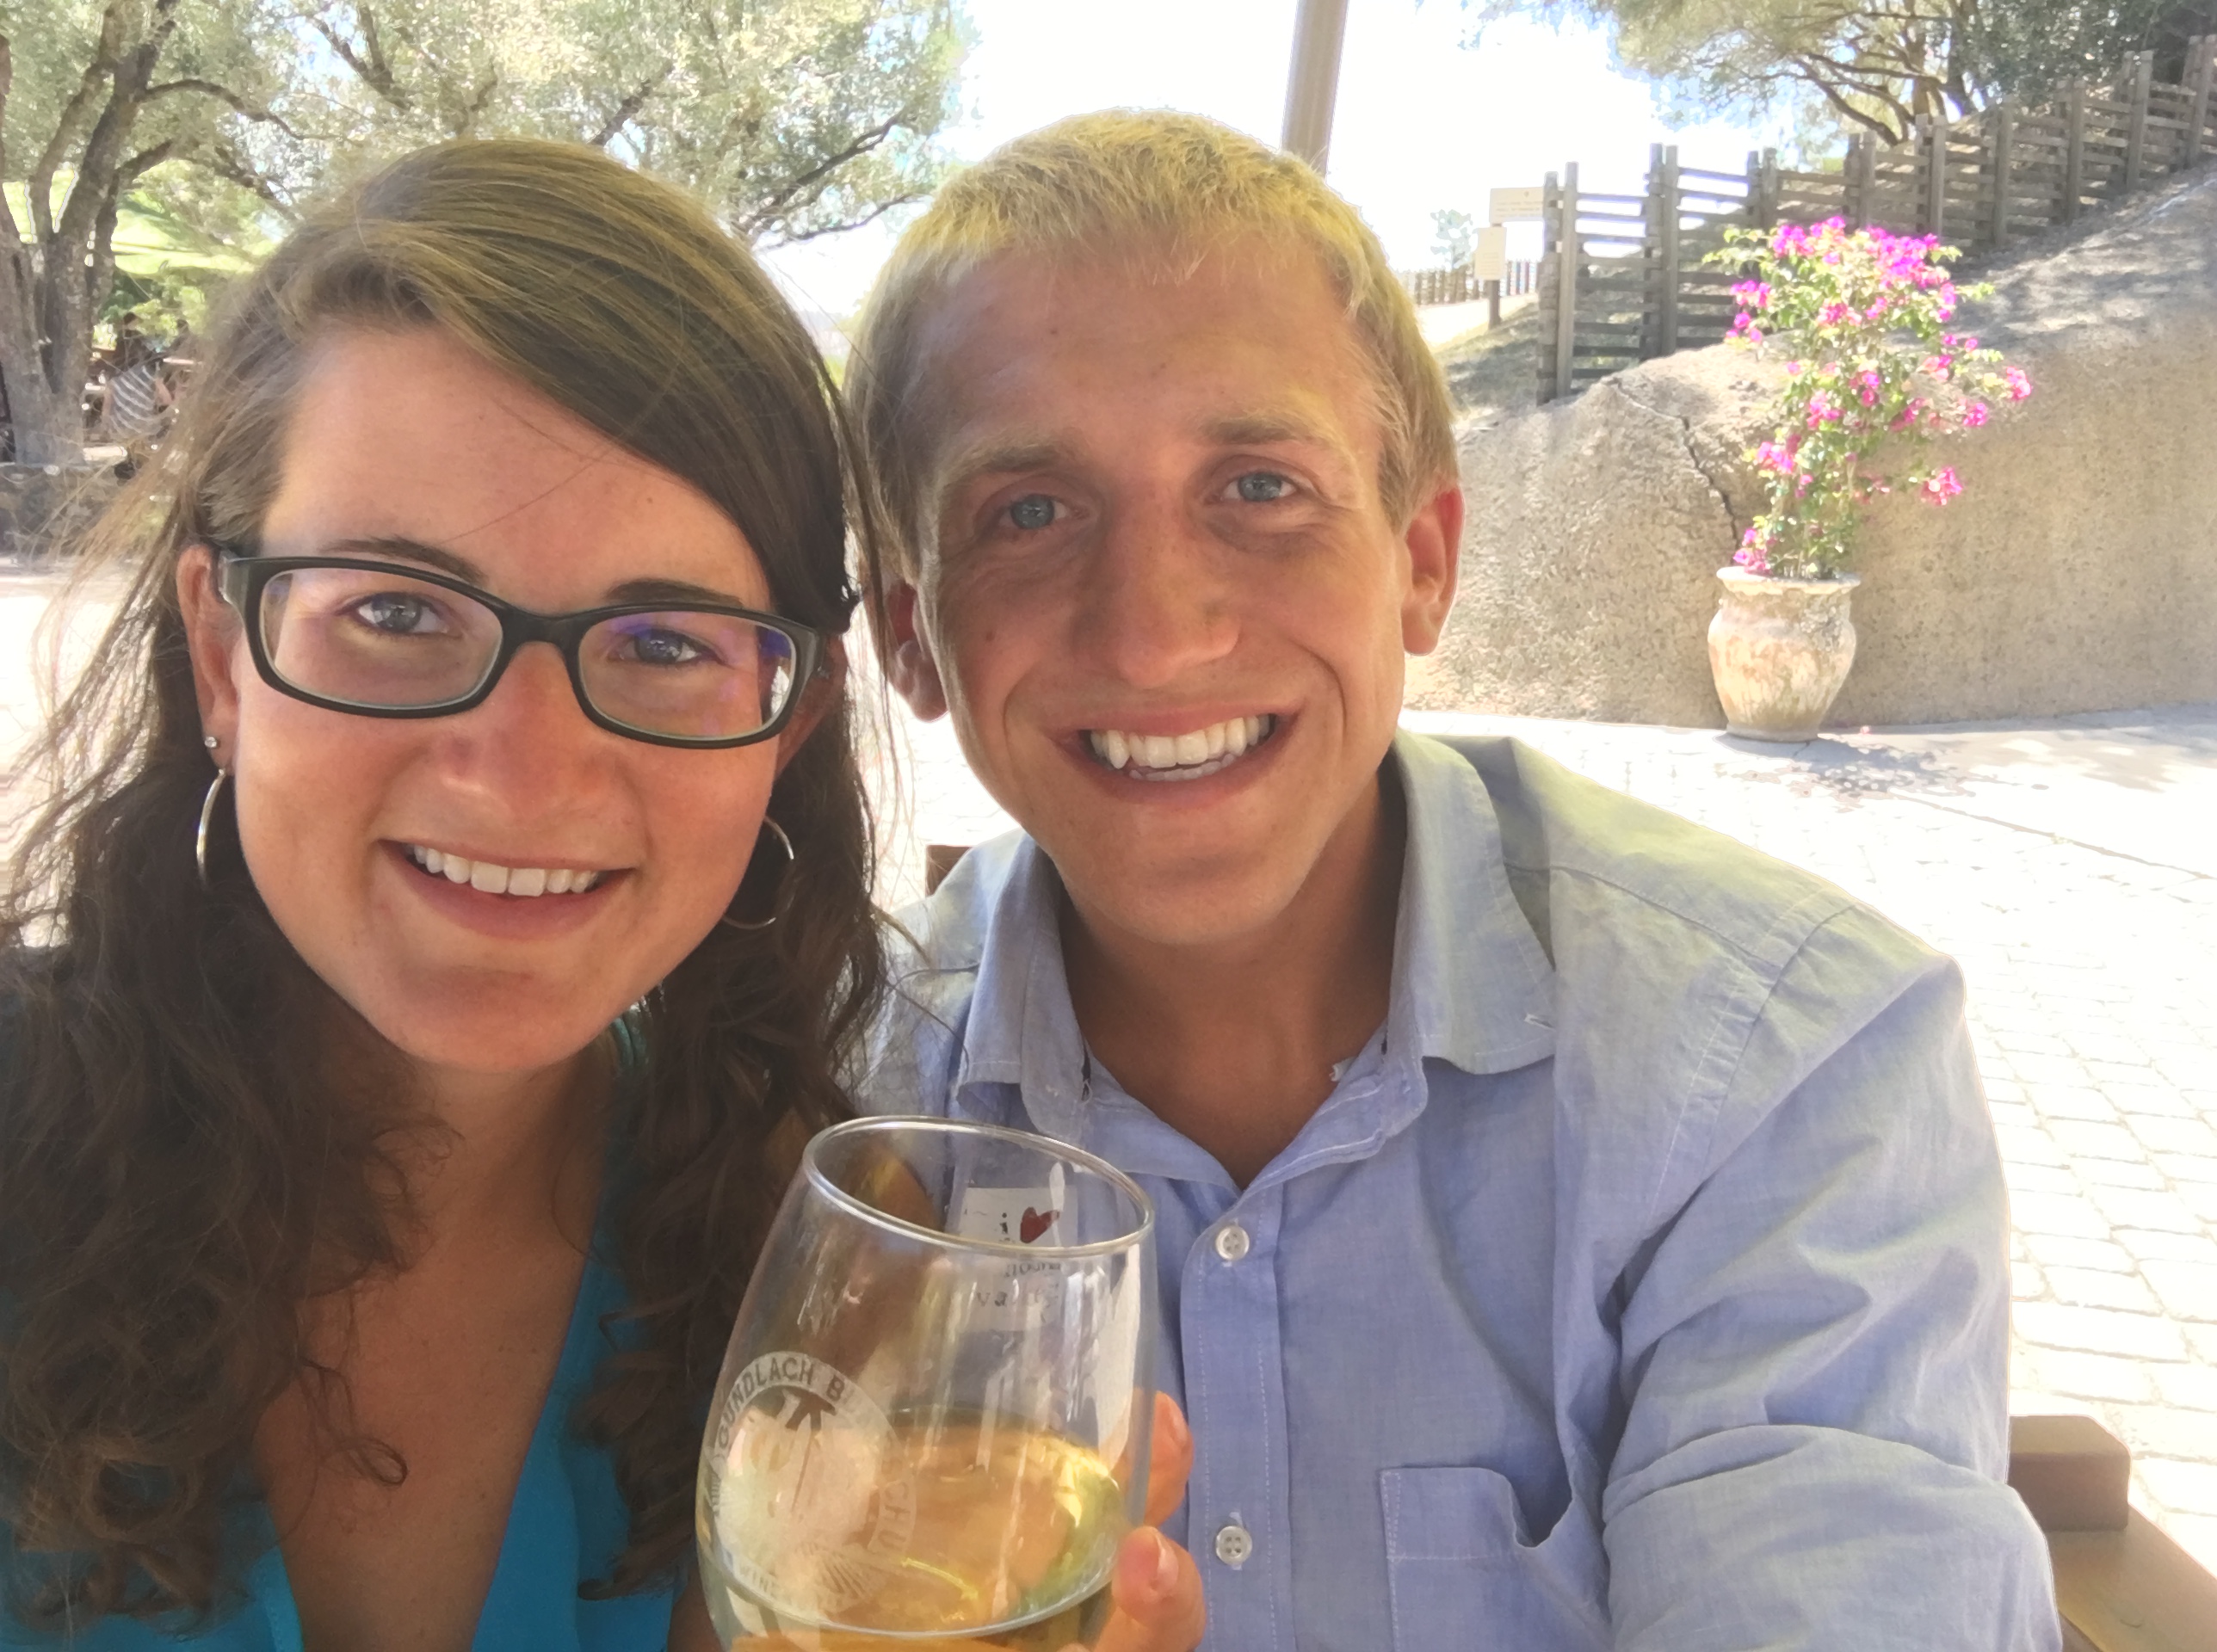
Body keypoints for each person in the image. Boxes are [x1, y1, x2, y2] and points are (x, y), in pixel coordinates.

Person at [849, 111, 2060, 1649]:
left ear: (1421, 562)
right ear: (912, 637)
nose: (1154, 636)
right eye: (1027, 513)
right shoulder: (846, 1090)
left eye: (1260, 488)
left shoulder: (1783, 1077)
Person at [0, 140, 1203, 1652]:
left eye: (665, 644)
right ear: (223, 655)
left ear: (786, 726)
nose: (523, 777)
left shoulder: (805, 1272)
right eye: (395, 611)